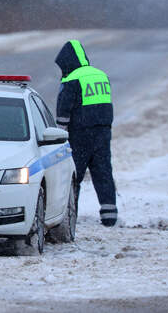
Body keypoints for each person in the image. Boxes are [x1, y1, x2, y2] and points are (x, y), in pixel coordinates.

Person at [54, 39, 117, 227]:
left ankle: (70, 217)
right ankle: (109, 215)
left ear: (68, 61)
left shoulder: (72, 78)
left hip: (80, 133)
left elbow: (64, 109)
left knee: (75, 175)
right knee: (103, 172)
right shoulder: (100, 75)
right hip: (103, 131)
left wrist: (60, 134)